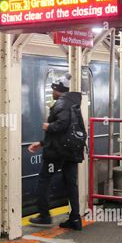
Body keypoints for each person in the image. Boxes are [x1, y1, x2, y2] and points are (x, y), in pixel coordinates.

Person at [27, 72, 83, 229]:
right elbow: (64, 132)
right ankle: (75, 219)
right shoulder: (73, 102)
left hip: (58, 152)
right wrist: (41, 143)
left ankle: (44, 215)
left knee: (44, 179)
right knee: (71, 183)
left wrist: (48, 126)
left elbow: (61, 125)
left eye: (53, 89)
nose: (52, 92)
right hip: (71, 150)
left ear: (59, 90)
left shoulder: (61, 103)